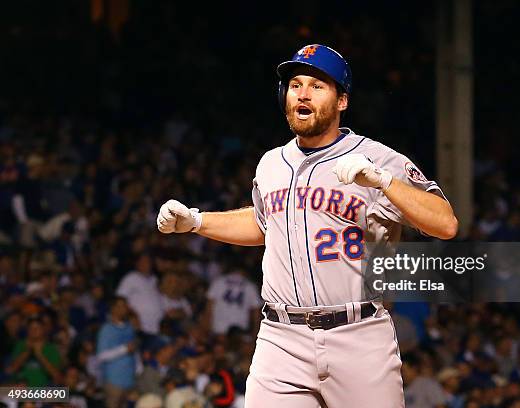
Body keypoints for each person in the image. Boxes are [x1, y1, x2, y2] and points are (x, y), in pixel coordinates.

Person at [157, 44, 458, 407]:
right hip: (281, 337)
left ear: (342, 101)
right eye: (296, 84)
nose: (302, 92)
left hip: (359, 333)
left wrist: (383, 181)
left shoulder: (377, 158)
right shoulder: (271, 164)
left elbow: (445, 224)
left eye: (317, 85)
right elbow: (262, 224)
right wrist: (198, 221)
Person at [96, 296, 138, 408]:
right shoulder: (107, 329)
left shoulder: (130, 327)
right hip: (114, 382)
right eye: (120, 306)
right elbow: (101, 356)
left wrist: (138, 368)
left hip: (130, 380)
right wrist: (124, 349)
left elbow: (133, 350)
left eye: (125, 306)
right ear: (113, 309)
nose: (124, 309)